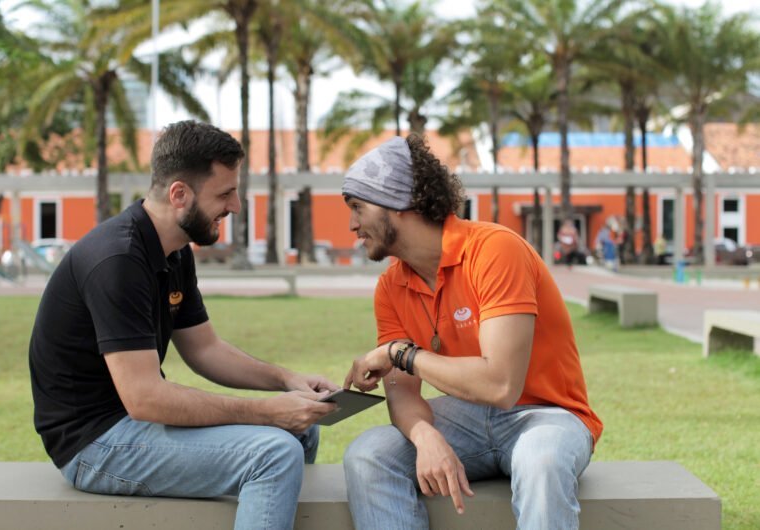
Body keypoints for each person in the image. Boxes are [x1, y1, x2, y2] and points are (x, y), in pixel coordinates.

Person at [29, 120, 338, 529]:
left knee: (303, 431)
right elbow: (144, 398)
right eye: (225, 193)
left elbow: (205, 349)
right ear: (179, 194)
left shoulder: (173, 251)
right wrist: (266, 414)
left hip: (134, 424)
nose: (236, 207)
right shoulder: (117, 260)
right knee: (275, 451)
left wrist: (287, 381)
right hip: (94, 444)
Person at [341, 134, 602, 530]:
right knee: (368, 455)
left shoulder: (495, 249)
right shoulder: (391, 286)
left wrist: (402, 354)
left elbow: (501, 386)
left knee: (542, 459)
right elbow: (403, 392)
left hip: (547, 415)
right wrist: (425, 435)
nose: (352, 224)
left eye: (359, 207)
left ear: (399, 203)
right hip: (466, 419)